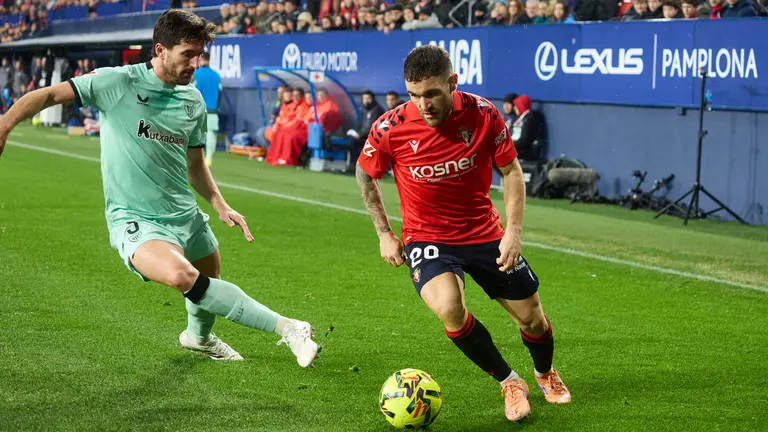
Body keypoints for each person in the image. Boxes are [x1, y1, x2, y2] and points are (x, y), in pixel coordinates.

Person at [0, 9, 319, 367]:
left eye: (198, 55)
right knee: (183, 276)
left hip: (184, 213)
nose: (194, 64)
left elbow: (195, 166)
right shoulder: (117, 82)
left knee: (210, 276)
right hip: (135, 217)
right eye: (187, 54)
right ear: (160, 50)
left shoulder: (192, 100)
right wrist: (5, 125)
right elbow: (46, 96)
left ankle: (198, 339)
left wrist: (218, 202)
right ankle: (289, 327)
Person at [354, 45, 570, 422]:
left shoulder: (484, 114)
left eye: (433, 93)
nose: (424, 104)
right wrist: (383, 232)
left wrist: (513, 232)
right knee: (450, 308)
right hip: (428, 238)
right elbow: (364, 173)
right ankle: (509, 381)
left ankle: (544, 373)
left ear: (452, 83)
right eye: (415, 95)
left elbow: (512, 172)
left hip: (485, 233)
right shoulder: (390, 127)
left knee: (532, 319)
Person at [193, 51, 222, 167]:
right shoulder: (216, 76)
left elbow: (191, 91)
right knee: (211, 134)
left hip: (198, 110)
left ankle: (195, 159)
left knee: (195, 136)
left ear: (200, 59)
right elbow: (220, 93)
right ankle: (209, 158)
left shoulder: (196, 74)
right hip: (212, 110)